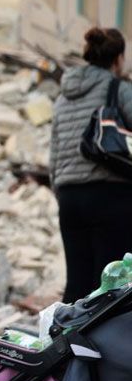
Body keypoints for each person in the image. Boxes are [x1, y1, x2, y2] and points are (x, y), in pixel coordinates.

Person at [49, 27, 132, 303]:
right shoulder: (118, 89)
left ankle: (65, 344)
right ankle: (102, 346)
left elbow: (55, 153)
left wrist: (62, 193)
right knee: (109, 286)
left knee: (77, 285)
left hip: (70, 198)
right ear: (118, 58)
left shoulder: (63, 97)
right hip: (110, 197)